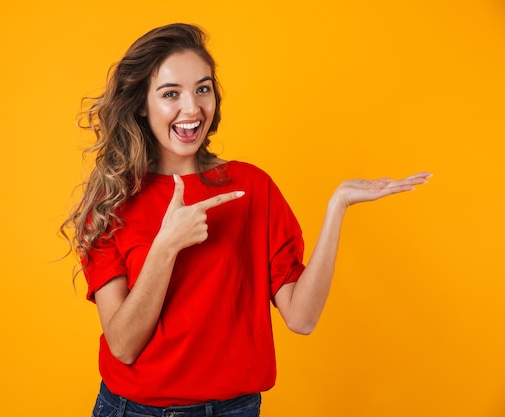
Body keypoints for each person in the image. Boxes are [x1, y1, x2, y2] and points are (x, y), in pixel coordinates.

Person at [61, 23, 430, 417]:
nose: (192, 108)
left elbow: (302, 318)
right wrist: (166, 246)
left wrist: (337, 207)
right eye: (171, 94)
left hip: (234, 409)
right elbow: (123, 345)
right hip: (136, 410)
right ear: (141, 104)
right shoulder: (113, 200)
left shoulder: (251, 187)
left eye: (202, 89)